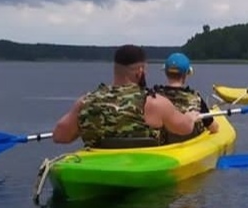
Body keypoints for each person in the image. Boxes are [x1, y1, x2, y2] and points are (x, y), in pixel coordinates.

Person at [52, 44, 203, 149]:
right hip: (143, 164)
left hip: (101, 162)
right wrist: (190, 117)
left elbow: (59, 136)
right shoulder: (155, 103)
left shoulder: (85, 101)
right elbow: (184, 129)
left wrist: (85, 126)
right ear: (140, 71)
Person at [152, 52, 220, 143]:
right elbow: (213, 127)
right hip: (191, 147)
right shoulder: (196, 99)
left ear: (166, 73)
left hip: (164, 147)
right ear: (185, 75)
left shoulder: (154, 97)